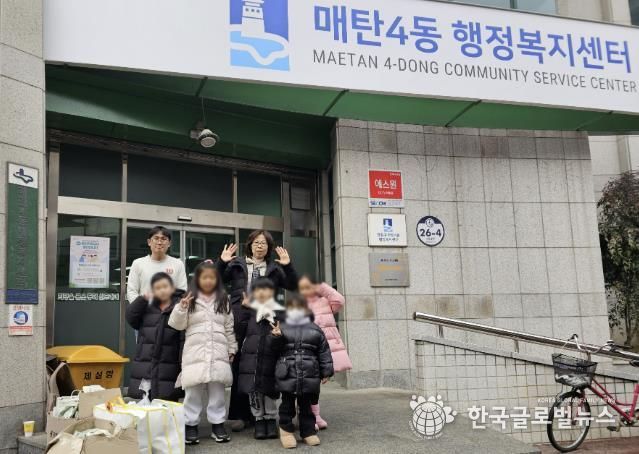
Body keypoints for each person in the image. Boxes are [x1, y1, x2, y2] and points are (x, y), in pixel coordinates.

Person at [216, 230, 298, 432]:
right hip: (239, 316)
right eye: (256, 242)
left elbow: (292, 285)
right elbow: (216, 280)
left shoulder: (274, 268)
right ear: (250, 245)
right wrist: (222, 262)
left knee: (262, 363)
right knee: (239, 364)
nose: (260, 246)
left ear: (268, 248)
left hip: (263, 317)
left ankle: (260, 414)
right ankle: (240, 414)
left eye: (264, 243)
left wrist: (288, 266)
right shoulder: (236, 264)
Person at [168, 261, 236, 445]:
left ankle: (218, 425)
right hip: (195, 353)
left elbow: (229, 327)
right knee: (193, 392)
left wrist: (232, 348)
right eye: (204, 277)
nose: (208, 281)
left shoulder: (223, 299)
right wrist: (181, 308)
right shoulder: (189, 298)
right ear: (197, 279)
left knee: (218, 392)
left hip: (218, 352)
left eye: (212, 277)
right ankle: (190, 425)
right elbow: (176, 325)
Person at [272, 293, 334, 449]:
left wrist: (326, 371)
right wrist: (276, 337)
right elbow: (273, 350)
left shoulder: (315, 329)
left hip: (309, 373)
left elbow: (324, 351)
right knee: (287, 405)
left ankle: (308, 432)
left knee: (306, 406)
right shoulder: (281, 327)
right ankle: (286, 432)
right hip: (287, 373)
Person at [298, 275, 352, 429]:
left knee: (316, 385)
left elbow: (339, 300)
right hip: (308, 350)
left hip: (324, 350)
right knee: (308, 384)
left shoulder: (324, 301)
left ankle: (315, 415)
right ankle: (308, 415)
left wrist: (322, 287)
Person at [237, 277, 286, 440]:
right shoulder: (249, 312)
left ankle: (271, 420)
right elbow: (238, 331)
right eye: (258, 289)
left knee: (270, 391)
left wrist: (278, 336)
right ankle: (258, 420)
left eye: (266, 289)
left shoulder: (279, 314)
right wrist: (243, 308)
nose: (262, 293)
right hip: (251, 362)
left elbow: (284, 343)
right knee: (254, 392)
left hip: (270, 361)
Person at [125, 272, 185, 402]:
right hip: (147, 359)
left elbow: (183, 337)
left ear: (172, 288)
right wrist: (142, 299)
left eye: (165, 286)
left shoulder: (180, 306)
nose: (162, 290)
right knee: (146, 400)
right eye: (158, 288)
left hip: (169, 362)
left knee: (168, 400)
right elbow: (130, 317)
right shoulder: (147, 305)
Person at [127, 226, 188, 303]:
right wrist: (140, 307)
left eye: (163, 239)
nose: (159, 242)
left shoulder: (178, 264)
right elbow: (131, 292)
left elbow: (182, 291)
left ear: (169, 243)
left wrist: (171, 308)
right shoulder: (138, 263)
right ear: (149, 242)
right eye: (156, 238)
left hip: (170, 310)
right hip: (144, 309)